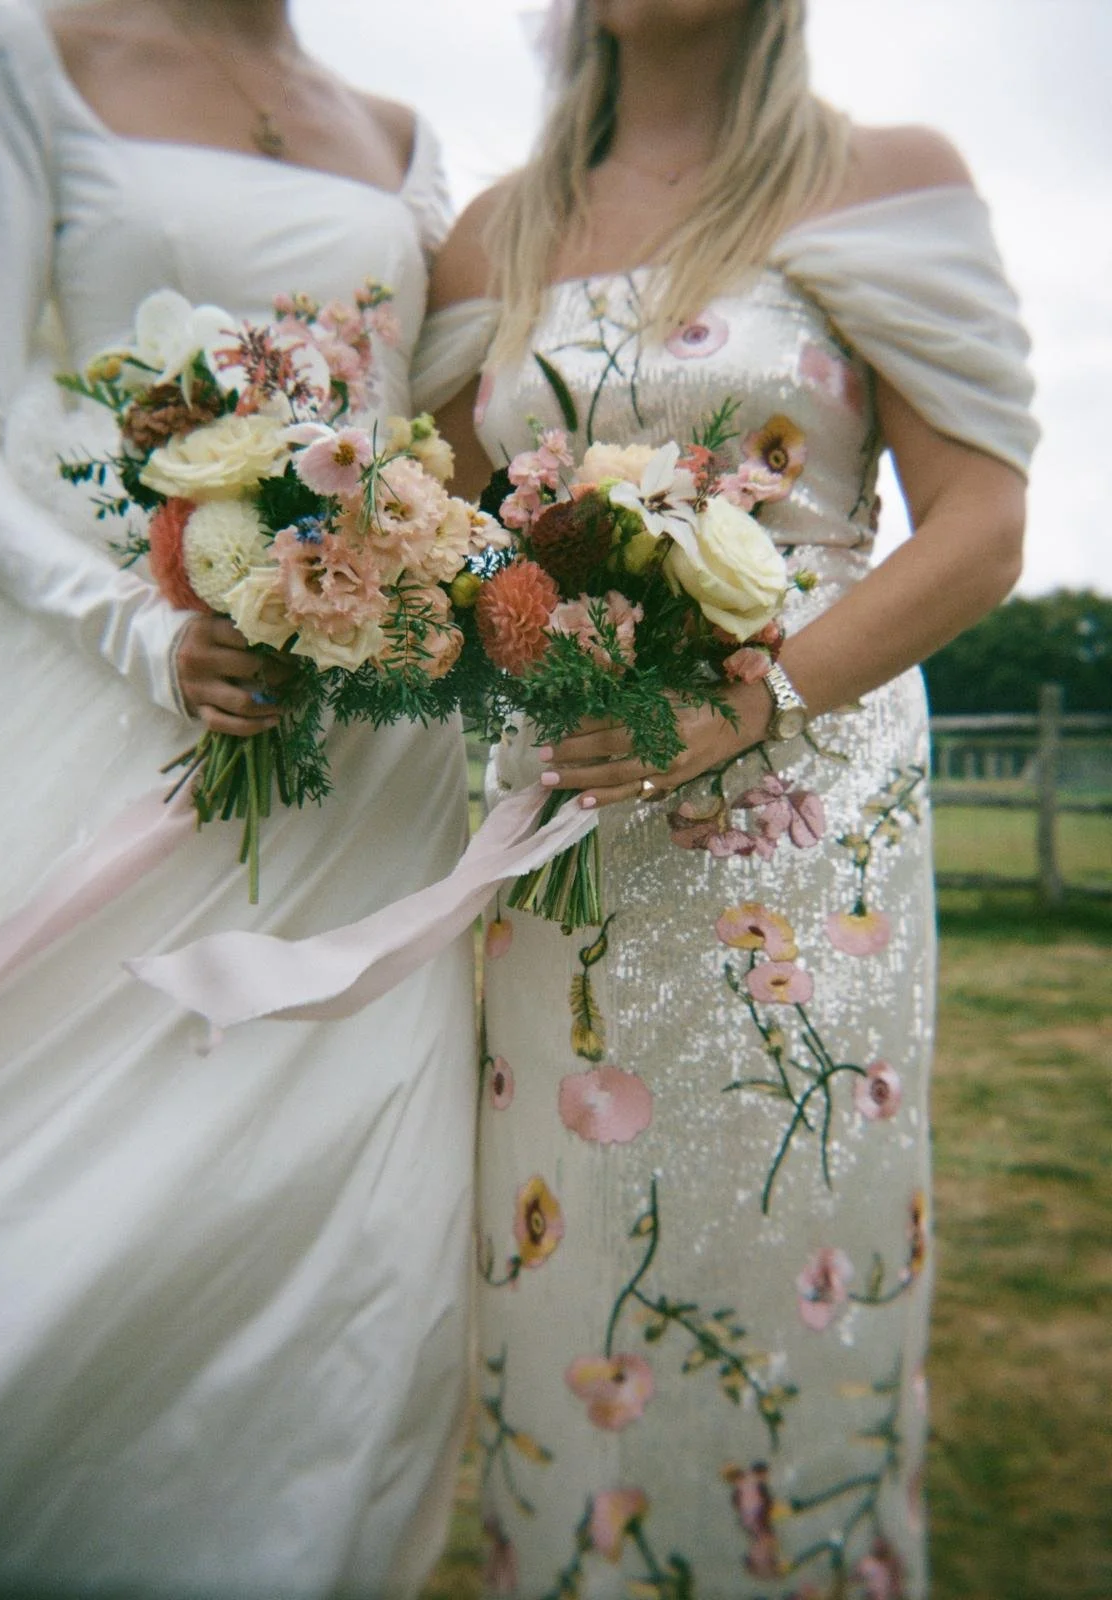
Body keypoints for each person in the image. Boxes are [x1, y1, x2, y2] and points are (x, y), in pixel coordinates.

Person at [0, 2, 475, 1595]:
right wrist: (143, 624)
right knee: (3, 1231)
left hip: (365, 760)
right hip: (100, 695)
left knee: (317, 1237)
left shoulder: (401, 135)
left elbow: (436, 434)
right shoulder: (34, 52)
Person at [417, 0, 1034, 1592]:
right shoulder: (492, 236)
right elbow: (430, 530)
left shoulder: (883, 181)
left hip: (804, 826)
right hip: (570, 817)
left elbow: (977, 525)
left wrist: (751, 696)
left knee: (786, 1227)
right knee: (573, 1241)